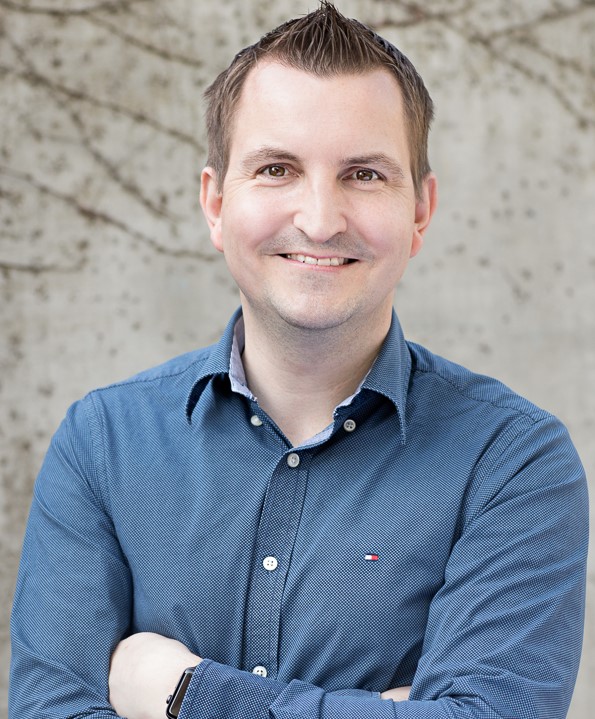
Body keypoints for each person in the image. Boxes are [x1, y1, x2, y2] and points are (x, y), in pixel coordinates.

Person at [9, 3, 588, 718]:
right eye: (277, 168)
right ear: (215, 204)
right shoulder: (102, 444)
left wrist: (184, 693)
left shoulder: (512, 461)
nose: (319, 219)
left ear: (419, 210)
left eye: (363, 175)